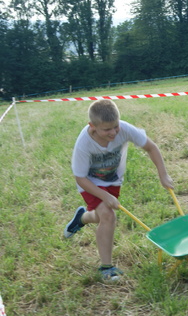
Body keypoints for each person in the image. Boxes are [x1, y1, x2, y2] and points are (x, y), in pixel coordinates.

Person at [63, 99, 174, 280]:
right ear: (92, 126)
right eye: (107, 129)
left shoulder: (125, 129)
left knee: (100, 216)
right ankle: (106, 268)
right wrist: (104, 195)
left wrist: (163, 175)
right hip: (90, 183)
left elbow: (151, 147)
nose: (113, 132)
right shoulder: (84, 144)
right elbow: (80, 178)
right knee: (108, 215)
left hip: (113, 180)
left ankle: (82, 218)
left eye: (115, 127)